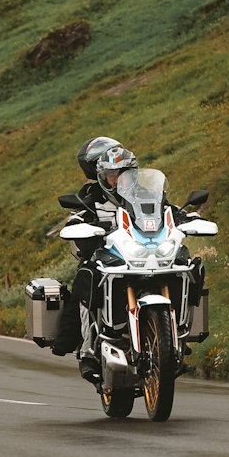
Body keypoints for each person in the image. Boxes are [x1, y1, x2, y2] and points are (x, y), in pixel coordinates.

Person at [51, 138, 138, 377]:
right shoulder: (91, 196)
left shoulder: (142, 194)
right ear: (100, 174)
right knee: (87, 277)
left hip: (142, 254)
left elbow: (165, 209)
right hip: (106, 255)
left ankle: (174, 337)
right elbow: (78, 215)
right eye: (113, 174)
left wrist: (183, 216)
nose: (118, 179)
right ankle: (88, 349)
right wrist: (80, 224)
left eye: (123, 173)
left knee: (186, 265)